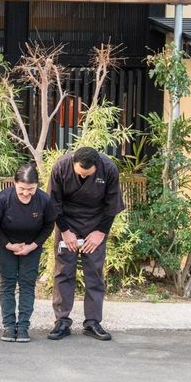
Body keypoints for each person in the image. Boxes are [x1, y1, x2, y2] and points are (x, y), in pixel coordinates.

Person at [47, 146, 125, 341]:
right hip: (67, 220)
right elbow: (53, 202)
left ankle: (92, 322)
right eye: (80, 174)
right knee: (64, 271)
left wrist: (101, 232)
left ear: (96, 165)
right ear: (74, 162)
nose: (83, 178)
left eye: (88, 175)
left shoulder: (108, 168)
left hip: (96, 222)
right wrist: (64, 230)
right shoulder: (61, 167)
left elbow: (113, 204)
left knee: (95, 272)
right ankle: (62, 321)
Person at [0, 164, 55, 343]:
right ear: (15, 183)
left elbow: (49, 225)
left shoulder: (44, 200)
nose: (26, 193)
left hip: (31, 247)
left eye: (31, 189)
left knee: (27, 284)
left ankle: (24, 326)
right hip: (7, 246)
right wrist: (8, 245)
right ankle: (9, 326)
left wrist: (32, 246)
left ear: (37, 186)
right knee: (7, 283)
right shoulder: (4, 198)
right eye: (22, 189)